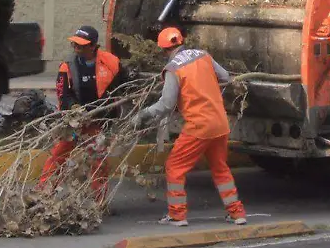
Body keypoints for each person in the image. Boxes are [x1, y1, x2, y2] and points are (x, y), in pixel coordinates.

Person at [138, 27, 246, 227]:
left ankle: (177, 215)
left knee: (175, 167)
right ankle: (237, 213)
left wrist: (144, 114)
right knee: (220, 168)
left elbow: (166, 105)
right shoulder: (203, 56)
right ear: (182, 41)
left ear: (163, 50)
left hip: (198, 125)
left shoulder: (173, 69)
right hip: (219, 123)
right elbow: (224, 77)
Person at [39, 26, 129, 203]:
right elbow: (63, 94)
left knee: (98, 160)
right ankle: (44, 194)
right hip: (74, 122)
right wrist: (75, 110)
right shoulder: (68, 66)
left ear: (93, 46)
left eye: (81, 45)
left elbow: (122, 87)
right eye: (75, 44)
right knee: (58, 155)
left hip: (98, 121)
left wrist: (110, 110)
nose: (76, 48)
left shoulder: (111, 63)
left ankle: (98, 202)